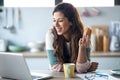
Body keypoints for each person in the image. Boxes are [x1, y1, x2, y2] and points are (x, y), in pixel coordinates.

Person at [45, 2, 98, 73]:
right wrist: (83, 67)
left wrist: (82, 48)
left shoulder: (83, 35)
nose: (56, 25)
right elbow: (54, 66)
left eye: (60, 20)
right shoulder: (51, 34)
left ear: (71, 21)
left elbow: (82, 69)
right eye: (54, 20)